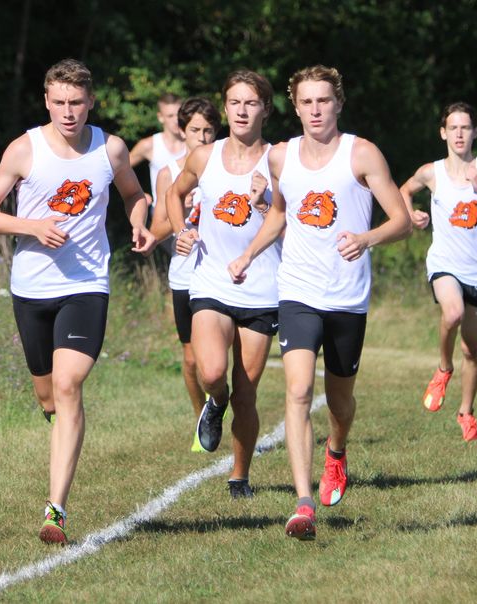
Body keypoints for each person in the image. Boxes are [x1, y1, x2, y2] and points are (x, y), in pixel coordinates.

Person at [0, 58, 155, 545]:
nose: (68, 112)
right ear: (46, 102)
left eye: (77, 103)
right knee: (49, 395)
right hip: (31, 287)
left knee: (70, 384)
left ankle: (55, 511)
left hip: (86, 283)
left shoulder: (109, 148)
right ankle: (61, 429)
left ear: (90, 102)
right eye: (59, 103)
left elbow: (135, 194)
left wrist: (138, 219)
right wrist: (31, 226)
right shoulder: (24, 149)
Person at [228, 65, 411, 540]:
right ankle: (303, 501)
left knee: (341, 399)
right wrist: (248, 253)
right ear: (295, 105)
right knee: (298, 391)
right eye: (306, 102)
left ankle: (337, 451)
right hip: (298, 292)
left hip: (348, 297)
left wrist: (368, 238)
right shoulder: (281, 157)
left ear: (338, 103)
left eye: (323, 101)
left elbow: (402, 220)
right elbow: (281, 217)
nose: (315, 110)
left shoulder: (362, 153)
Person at [165, 70, 278, 498]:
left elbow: (296, 221)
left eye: (251, 103)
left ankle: (239, 476)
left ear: (265, 109)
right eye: (235, 102)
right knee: (211, 370)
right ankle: (214, 402)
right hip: (211, 279)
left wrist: (266, 201)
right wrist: (182, 232)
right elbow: (175, 195)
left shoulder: (280, 161)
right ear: (225, 107)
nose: (243, 110)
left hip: (262, 286)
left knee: (247, 395)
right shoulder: (204, 157)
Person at [399, 102, 477, 442]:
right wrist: (411, 215)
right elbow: (403, 191)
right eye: (453, 128)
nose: (459, 134)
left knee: (471, 348)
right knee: (451, 313)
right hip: (444, 264)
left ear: (475, 132)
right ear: (443, 133)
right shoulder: (432, 172)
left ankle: (466, 413)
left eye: (465, 128)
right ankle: (443, 368)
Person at [148, 97, 222, 445]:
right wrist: (181, 218)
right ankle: (201, 420)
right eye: (195, 130)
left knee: (222, 361)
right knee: (192, 359)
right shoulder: (170, 173)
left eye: (209, 130)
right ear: (182, 130)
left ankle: (222, 406)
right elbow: (156, 227)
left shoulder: (228, 167)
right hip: (185, 275)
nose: (202, 138)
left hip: (223, 274)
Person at [129, 92, 186, 206]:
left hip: (192, 218)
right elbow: (118, 169)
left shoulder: (194, 143)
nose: (176, 120)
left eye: (178, 115)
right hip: (160, 216)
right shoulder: (150, 145)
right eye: (170, 116)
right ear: (160, 117)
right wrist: (137, 194)